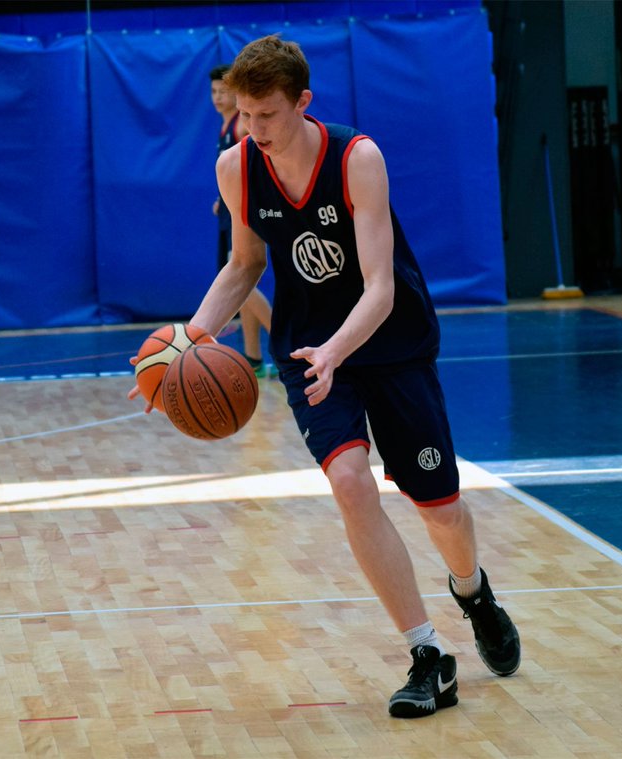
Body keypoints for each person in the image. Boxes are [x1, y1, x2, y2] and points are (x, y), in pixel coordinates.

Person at [140, 36, 521, 718]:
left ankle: (473, 591)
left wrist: (337, 349)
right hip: (310, 350)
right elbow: (244, 265)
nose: (252, 129)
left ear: (303, 102)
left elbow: (379, 288)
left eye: (266, 115)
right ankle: (427, 654)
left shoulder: (357, 158)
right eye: (244, 116)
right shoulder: (236, 167)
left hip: (389, 343)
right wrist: (185, 347)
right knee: (349, 481)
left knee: (441, 509)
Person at [210, 64, 274, 378]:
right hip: (230, 209)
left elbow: (257, 162)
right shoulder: (224, 126)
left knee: (240, 279)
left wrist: (239, 197)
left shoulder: (241, 126)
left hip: (247, 209)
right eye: (214, 91)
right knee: (244, 285)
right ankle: (253, 356)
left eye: (223, 91)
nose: (218, 97)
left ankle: (285, 341)